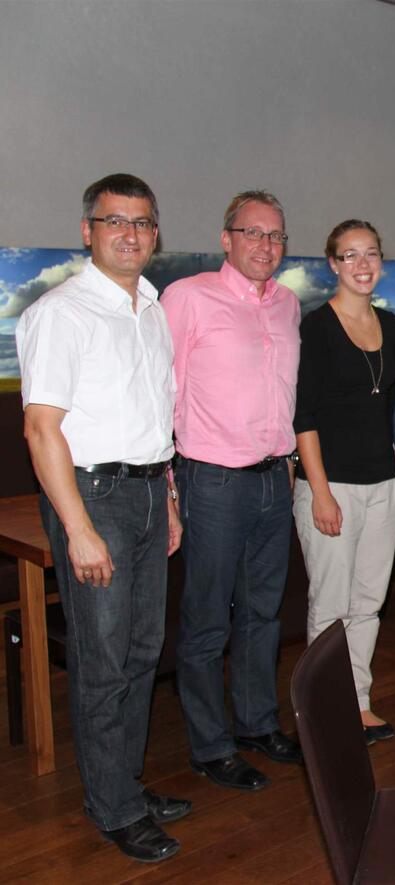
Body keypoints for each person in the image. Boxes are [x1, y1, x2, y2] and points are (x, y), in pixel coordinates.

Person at [16, 173, 189, 862]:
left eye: (142, 222)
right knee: (103, 657)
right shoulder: (61, 312)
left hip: (148, 491)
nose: (130, 233)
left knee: (143, 650)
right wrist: (79, 527)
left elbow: (154, 417)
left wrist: (168, 494)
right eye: (114, 220)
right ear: (88, 230)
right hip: (95, 500)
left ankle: (124, 782)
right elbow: (39, 430)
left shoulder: (149, 307)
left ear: (155, 233)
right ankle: (112, 806)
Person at [162, 190, 303, 791]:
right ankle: (210, 744)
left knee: (264, 614)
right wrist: (169, 485)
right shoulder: (188, 297)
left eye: (275, 236)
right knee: (206, 621)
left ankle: (255, 722)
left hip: (275, 478)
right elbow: (160, 392)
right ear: (227, 239)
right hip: (212, 480)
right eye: (253, 233)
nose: (265, 246)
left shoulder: (289, 304)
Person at [293, 220, 395, 745]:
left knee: (368, 604)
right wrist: (318, 492)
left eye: (371, 254)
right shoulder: (316, 327)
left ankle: (358, 702)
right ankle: (324, 710)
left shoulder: (393, 325)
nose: (362, 265)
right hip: (330, 486)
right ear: (333, 264)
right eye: (350, 255)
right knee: (331, 605)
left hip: (384, 485)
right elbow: (305, 417)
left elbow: (394, 414)